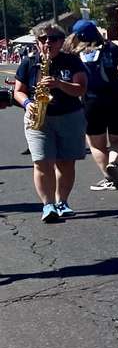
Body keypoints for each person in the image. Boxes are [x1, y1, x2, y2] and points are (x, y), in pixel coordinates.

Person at [14, 22, 88, 222]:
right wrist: (28, 103)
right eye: (43, 39)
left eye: (53, 39)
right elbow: (18, 91)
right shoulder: (29, 63)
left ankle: (62, 201)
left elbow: (81, 89)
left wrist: (59, 84)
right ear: (37, 42)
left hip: (68, 116)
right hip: (38, 118)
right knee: (41, 162)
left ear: (61, 41)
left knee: (66, 163)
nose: (48, 43)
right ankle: (48, 205)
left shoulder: (72, 61)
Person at [68, 20, 118, 192]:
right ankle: (113, 163)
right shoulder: (110, 48)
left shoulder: (73, 55)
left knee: (96, 144)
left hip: (91, 102)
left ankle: (108, 177)